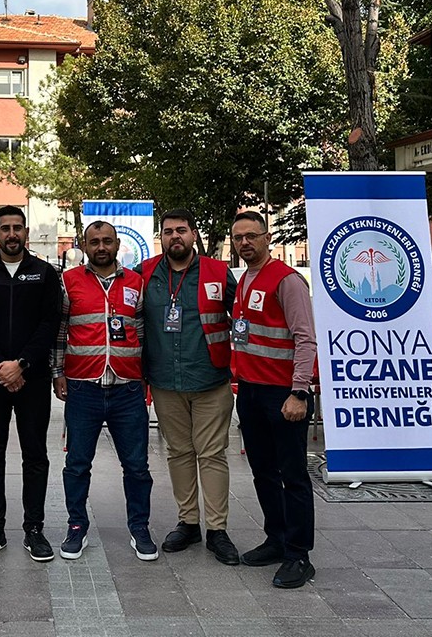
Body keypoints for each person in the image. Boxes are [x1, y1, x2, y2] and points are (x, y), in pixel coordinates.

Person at [139, 209, 241, 563]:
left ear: (194, 234)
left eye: (181, 230)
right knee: (179, 453)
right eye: (167, 232)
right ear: (161, 238)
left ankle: (217, 529)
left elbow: (242, 316)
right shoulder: (146, 274)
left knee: (211, 454)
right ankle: (188, 522)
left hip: (210, 378)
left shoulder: (217, 272)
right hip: (165, 381)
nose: (174, 237)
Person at [52, 220, 157, 562]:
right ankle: (76, 527)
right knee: (77, 464)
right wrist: (57, 373)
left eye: (107, 241)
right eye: (94, 241)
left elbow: (141, 330)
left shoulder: (136, 283)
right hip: (84, 387)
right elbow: (60, 331)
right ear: (85, 245)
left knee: (137, 466)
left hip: (128, 388)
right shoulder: (69, 282)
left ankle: (140, 528)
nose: (101, 247)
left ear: (117, 245)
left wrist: (145, 377)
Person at [0, 205, 61, 562]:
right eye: (5, 228)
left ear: (27, 232)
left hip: (31, 379)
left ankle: (34, 529)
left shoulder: (44, 273)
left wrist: (22, 364)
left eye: (17, 228)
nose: (12, 234)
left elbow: (50, 324)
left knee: (35, 455)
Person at [228, 210, 318, 589]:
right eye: (238, 237)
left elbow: (306, 338)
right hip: (251, 390)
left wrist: (299, 391)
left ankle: (299, 554)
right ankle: (276, 539)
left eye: (252, 236)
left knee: (293, 476)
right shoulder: (245, 278)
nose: (245, 242)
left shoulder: (287, 280)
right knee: (263, 471)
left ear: (267, 238)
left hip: (284, 395)